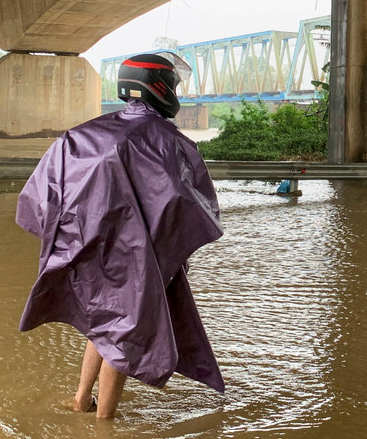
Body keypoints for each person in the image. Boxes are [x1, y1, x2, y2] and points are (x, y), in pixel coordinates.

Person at [15, 51, 224, 419]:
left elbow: (45, 190)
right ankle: (104, 425)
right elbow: (186, 200)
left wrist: (66, 240)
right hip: (133, 253)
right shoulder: (170, 141)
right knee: (123, 330)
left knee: (102, 318)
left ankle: (82, 399)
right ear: (161, 88)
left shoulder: (84, 134)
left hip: (84, 245)